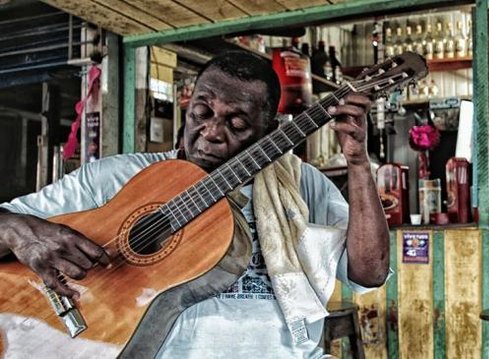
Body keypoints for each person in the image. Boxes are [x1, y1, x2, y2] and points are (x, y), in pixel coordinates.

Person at [0, 50, 390, 357]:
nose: (212, 133)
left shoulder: (303, 185)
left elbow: (368, 272)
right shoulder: (113, 179)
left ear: (268, 132)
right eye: (202, 113)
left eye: (237, 125)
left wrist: (358, 162)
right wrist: (20, 230)